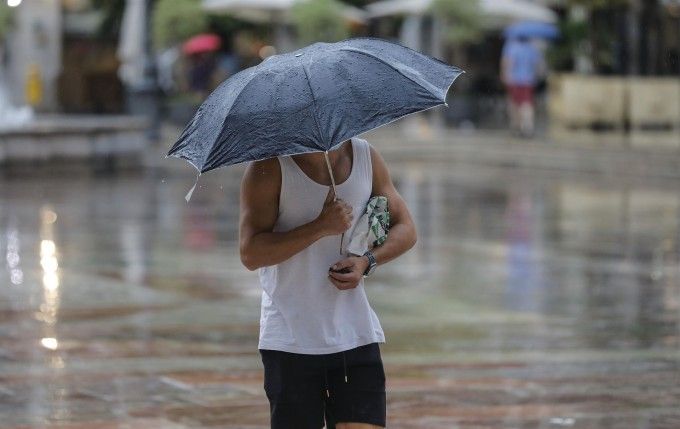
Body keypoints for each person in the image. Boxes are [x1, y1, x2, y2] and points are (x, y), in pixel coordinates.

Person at [239, 137, 417, 429]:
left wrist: (366, 262)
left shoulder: (366, 156)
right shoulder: (268, 168)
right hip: (291, 338)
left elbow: (406, 228)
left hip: (355, 332)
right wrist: (319, 227)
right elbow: (250, 252)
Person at [501, 36, 544, 136]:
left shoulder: (511, 47)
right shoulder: (532, 49)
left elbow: (508, 63)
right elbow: (538, 65)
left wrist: (505, 75)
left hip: (514, 80)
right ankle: (528, 126)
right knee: (527, 103)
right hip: (528, 80)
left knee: (514, 103)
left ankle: (516, 125)